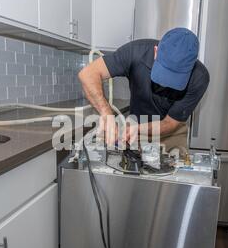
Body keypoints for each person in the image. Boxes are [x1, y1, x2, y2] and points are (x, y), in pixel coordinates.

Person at [78, 27, 210, 154]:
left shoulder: (199, 78)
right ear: (156, 51)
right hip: (135, 128)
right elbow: (88, 74)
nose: (166, 84)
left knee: (173, 173)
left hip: (171, 134)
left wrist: (138, 129)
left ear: (191, 67)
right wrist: (107, 114)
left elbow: (170, 122)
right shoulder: (135, 52)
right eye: (164, 72)